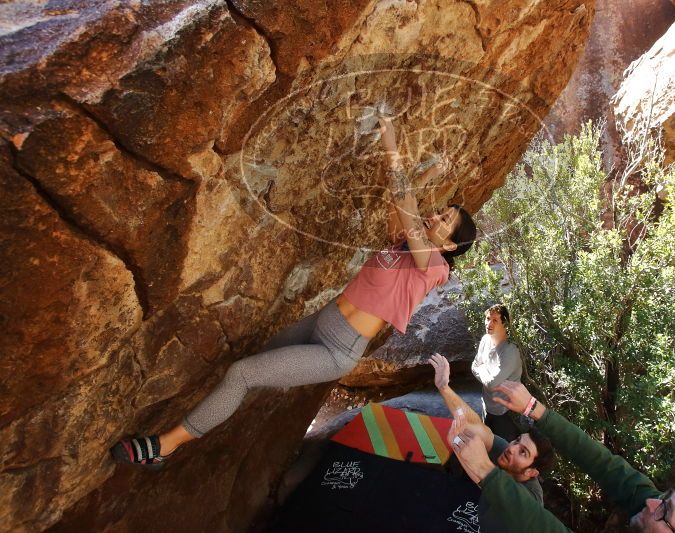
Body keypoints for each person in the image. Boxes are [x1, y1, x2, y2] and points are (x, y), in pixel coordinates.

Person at [111, 110, 477, 468]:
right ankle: (211, 417)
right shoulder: (403, 245)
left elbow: (405, 205)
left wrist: (392, 144)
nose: (436, 215)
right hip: (321, 321)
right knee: (253, 365)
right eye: (441, 211)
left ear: (449, 245)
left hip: (335, 351)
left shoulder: (435, 268)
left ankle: (165, 446)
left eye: (445, 220)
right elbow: (399, 202)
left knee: (241, 373)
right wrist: (427, 173)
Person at [450, 381, 675, 533]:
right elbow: (603, 464)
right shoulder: (653, 505)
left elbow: (542, 527)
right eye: (665, 496)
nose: (652, 502)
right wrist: (534, 408)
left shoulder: (530, 495)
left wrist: (486, 471)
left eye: (664, 512)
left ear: (533, 472)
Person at [429, 354, 554, 503]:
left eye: (523, 452)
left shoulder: (531, 499)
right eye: (517, 441)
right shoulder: (504, 451)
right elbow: (475, 426)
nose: (512, 448)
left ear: (532, 472)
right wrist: (444, 387)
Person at [471, 303, 523, 441]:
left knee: (505, 448)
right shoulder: (485, 340)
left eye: (495, 320)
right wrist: (485, 374)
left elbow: (492, 383)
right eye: (488, 318)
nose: (489, 323)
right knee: (488, 444)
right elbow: (474, 366)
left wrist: (482, 369)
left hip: (505, 411)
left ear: (505, 324)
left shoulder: (510, 350)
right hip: (487, 405)